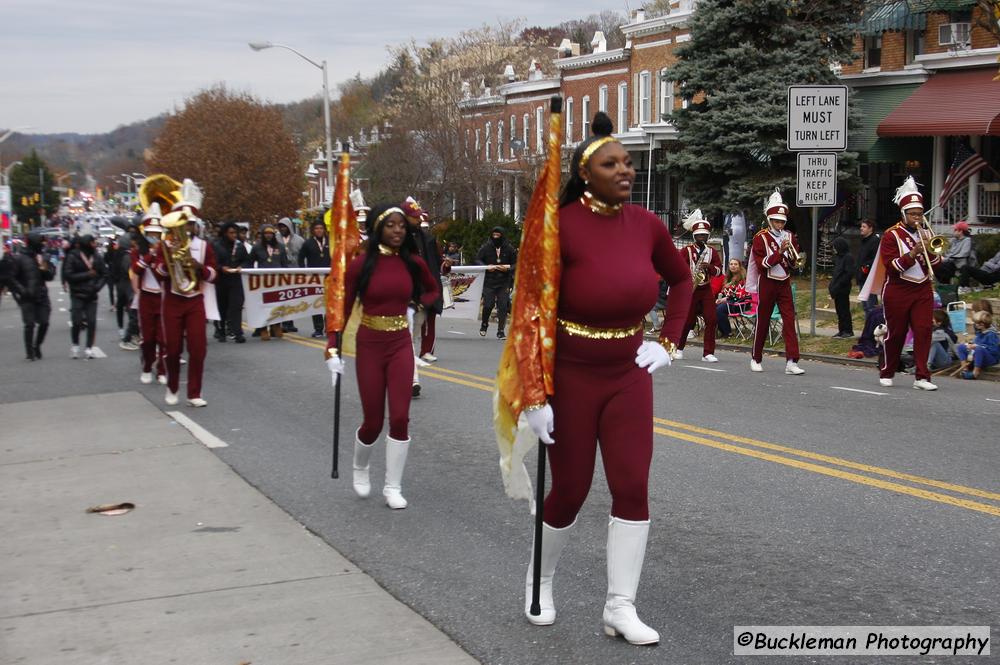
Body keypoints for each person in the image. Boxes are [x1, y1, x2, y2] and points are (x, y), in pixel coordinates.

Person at [519, 112, 692, 646]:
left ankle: (620, 606)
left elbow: (683, 279)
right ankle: (540, 580)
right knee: (569, 489)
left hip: (627, 375)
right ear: (584, 173)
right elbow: (530, 310)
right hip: (569, 376)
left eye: (628, 162)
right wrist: (533, 394)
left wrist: (668, 343)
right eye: (610, 163)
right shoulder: (559, 226)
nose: (625, 170)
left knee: (632, 485)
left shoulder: (648, 225)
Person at [325, 204, 440, 510]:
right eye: (391, 225)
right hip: (370, 344)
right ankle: (361, 467)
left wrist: (416, 305)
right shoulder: (361, 265)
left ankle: (393, 486)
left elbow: (433, 291)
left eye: (402, 225)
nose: (398, 230)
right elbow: (342, 307)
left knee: (400, 417)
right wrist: (332, 347)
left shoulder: (413, 262)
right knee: (373, 421)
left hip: (400, 342)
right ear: (378, 227)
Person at [860, 176, 940, 390]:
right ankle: (887, 370)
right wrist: (914, 252)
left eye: (920, 214)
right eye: (913, 214)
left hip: (922, 287)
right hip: (898, 289)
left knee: (924, 330)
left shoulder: (926, 233)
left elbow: (937, 263)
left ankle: (922, 376)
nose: (917, 218)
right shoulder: (891, 235)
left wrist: (930, 251)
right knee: (897, 333)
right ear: (904, 214)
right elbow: (893, 267)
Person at [154, 179, 218, 406]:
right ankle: (172, 387)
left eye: (189, 223)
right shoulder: (164, 246)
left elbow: (213, 274)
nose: (186, 227)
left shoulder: (203, 247)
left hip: (194, 299)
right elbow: (159, 272)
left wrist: (197, 267)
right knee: (172, 349)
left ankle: (194, 392)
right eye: (183, 223)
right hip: (172, 299)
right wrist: (170, 261)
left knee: (198, 348)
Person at [746, 190, 805, 375]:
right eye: (776, 221)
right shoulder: (760, 237)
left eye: (782, 221)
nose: (780, 224)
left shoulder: (789, 236)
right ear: (769, 220)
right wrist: (780, 252)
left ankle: (791, 361)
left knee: (789, 320)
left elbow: (794, 264)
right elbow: (763, 264)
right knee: (763, 320)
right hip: (768, 282)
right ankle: (756, 357)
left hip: (784, 282)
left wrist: (794, 260)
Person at [674, 210, 723, 362]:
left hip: (706, 288)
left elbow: (719, 270)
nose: (702, 237)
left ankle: (708, 353)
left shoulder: (712, 252)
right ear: (694, 235)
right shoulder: (686, 250)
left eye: (704, 235)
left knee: (712, 319)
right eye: (699, 235)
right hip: (691, 289)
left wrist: (709, 267)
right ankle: (679, 348)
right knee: (688, 321)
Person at [131, 205, 167, 384]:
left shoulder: (167, 251)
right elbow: (136, 270)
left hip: (163, 298)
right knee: (148, 337)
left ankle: (161, 370)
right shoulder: (138, 252)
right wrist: (150, 255)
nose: (155, 237)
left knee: (163, 337)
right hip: (146, 298)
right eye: (151, 233)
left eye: (157, 234)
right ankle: (146, 367)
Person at [9, 232, 54, 360]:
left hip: (41, 295)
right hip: (27, 296)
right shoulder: (19, 258)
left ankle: (37, 345)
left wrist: (44, 266)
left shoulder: (43, 257)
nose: (42, 245)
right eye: (40, 242)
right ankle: (29, 351)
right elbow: (12, 278)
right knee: (29, 324)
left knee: (44, 322)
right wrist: (22, 291)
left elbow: (50, 276)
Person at [64, 234, 107, 360]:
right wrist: (87, 275)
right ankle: (75, 345)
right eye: (92, 243)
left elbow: (104, 274)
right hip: (77, 294)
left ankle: (89, 348)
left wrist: (97, 287)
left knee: (92, 322)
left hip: (92, 295)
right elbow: (68, 275)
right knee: (77, 322)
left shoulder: (97, 257)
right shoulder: (73, 256)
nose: (94, 245)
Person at [476, 226, 517, 339]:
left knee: (503, 306)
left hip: (504, 281)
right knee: (488, 305)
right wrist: (485, 266)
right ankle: (484, 324)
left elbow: (516, 264)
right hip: (489, 281)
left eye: (498, 236)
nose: (495, 237)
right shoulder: (486, 247)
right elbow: (477, 259)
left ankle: (501, 331)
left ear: (502, 236)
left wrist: (508, 269)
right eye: (494, 235)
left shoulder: (509, 249)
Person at [250, 223, 287, 340]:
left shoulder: (280, 247)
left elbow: (285, 264)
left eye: (270, 233)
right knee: (263, 305)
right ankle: (263, 328)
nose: (268, 235)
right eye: (266, 233)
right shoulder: (256, 247)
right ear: (262, 234)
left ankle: (276, 326)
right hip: (262, 281)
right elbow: (249, 263)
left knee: (277, 304)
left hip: (277, 280)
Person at [213, 222, 249, 343]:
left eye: (235, 233)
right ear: (225, 233)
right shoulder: (217, 246)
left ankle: (238, 332)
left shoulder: (240, 246)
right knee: (222, 307)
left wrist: (241, 267)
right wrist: (221, 268)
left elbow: (247, 261)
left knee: (236, 306)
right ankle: (221, 331)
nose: (234, 235)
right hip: (222, 280)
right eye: (231, 233)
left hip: (236, 280)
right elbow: (213, 263)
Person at [299, 219, 330, 338]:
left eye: (321, 228)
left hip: (329, 276)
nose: (319, 230)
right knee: (315, 302)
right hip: (314, 278)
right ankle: (318, 328)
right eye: (316, 228)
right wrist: (303, 272)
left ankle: (329, 327)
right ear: (313, 230)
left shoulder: (330, 241)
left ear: (324, 230)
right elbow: (301, 258)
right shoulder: (308, 243)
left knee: (329, 303)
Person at [276, 218, 303, 333]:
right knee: (282, 298)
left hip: (294, 273)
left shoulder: (299, 240)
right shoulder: (276, 239)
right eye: (281, 226)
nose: (283, 229)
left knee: (292, 299)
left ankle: (290, 322)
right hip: (281, 273)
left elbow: (303, 258)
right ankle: (282, 322)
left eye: (285, 226)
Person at [956, 311, 998, 380]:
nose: (975, 324)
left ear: (982, 324)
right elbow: (977, 343)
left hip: (990, 358)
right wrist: (970, 344)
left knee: (979, 349)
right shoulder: (980, 332)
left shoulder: (991, 334)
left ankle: (975, 373)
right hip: (977, 355)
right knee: (961, 347)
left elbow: (993, 350)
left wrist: (977, 346)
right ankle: (964, 369)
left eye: (976, 323)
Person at [828, 236, 856, 339]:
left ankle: (848, 330)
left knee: (844, 310)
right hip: (837, 288)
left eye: (835, 247)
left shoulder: (848, 257)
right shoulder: (839, 257)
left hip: (843, 288)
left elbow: (848, 273)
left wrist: (839, 284)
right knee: (839, 310)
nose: (834, 249)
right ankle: (841, 330)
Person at [715, 259, 748, 338]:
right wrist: (719, 298)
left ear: (740, 267)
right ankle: (721, 331)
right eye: (731, 264)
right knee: (713, 307)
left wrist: (725, 299)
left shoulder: (743, 279)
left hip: (740, 303)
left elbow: (740, 295)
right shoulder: (728, 278)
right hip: (728, 302)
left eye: (736, 264)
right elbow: (723, 292)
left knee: (720, 309)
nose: (733, 266)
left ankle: (727, 332)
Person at [855, 220, 880, 314]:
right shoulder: (864, 241)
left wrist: (865, 268)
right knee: (865, 306)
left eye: (864, 227)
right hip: (862, 277)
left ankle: (873, 326)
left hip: (869, 277)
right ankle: (868, 327)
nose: (861, 228)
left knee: (871, 306)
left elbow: (874, 259)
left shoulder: (874, 241)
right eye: (861, 226)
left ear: (870, 229)